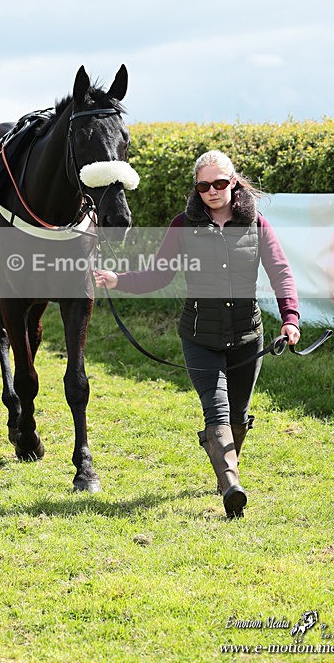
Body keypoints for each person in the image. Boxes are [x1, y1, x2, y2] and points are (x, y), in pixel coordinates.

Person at [94, 149, 300, 519]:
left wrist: (290, 319)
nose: (212, 191)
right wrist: (118, 280)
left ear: (233, 183)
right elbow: (160, 275)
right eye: (203, 185)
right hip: (199, 336)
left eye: (219, 183)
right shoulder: (181, 225)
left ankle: (225, 469)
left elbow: (281, 273)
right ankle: (231, 485)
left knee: (238, 413)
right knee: (216, 410)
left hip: (247, 337)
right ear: (197, 188)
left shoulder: (257, 225)